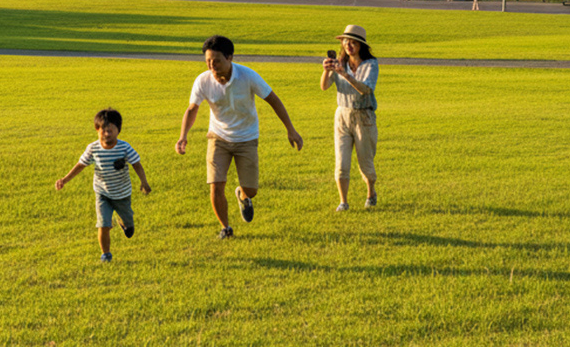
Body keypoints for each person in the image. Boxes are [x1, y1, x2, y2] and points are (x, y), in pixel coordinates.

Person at [177, 35, 303, 239]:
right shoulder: (203, 80)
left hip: (247, 137)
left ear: (230, 58)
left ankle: (243, 195)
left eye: (216, 60)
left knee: (251, 189)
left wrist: (291, 129)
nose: (211, 65)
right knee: (216, 184)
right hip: (218, 137)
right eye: (208, 60)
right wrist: (183, 136)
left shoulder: (248, 76)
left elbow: (273, 100)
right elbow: (192, 109)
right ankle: (225, 228)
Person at [55, 108, 151, 263]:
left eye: (110, 130)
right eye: (103, 130)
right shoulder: (93, 148)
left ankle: (124, 222)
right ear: (97, 130)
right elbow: (81, 165)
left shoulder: (124, 147)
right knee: (103, 224)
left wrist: (144, 182)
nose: (107, 134)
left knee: (130, 229)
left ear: (118, 130)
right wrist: (64, 180)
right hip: (102, 193)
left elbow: (137, 164)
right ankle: (106, 255)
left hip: (122, 193)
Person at [320, 25, 379, 211]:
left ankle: (371, 192)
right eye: (346, 42)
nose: (349, 45)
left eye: (353, 42)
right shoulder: (339, 63)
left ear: (361, 45)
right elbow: (324, 86)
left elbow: (365, 89)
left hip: (364, 116)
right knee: (341, 163)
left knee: (366, 162)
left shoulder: (371, 65)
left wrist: (344, 74)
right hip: (342, 115)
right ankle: (343, 202)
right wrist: (327, 70)